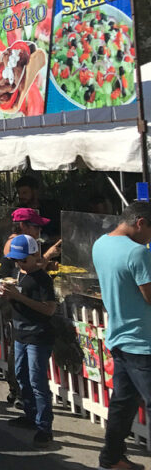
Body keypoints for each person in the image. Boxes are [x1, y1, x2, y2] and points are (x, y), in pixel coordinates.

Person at [92, 201, 151, 470]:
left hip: (119, 337)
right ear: (140, 223)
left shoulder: (100, 244)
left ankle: (111, 458)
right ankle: (111, 458)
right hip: (143, 342)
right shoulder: (137, 253)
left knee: (123, 404)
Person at [0, 234, 56, 448]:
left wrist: (18, 297)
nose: (19, 263)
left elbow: (49, 309)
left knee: (37, 380)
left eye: (23, 260)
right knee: (21, 375)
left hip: (38, 336)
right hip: (20, 333)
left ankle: (44, 427)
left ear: (35, 256)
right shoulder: (17, 273)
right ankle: (31, 415)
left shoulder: (42, 279)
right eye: (16, 259)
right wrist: (8, 295)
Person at [15, 175, 61, 241]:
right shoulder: (19, 211)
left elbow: (62, 229)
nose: (21, 196)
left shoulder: (51, 207)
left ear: (35, 191)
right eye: (19, 193)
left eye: (24, 193)